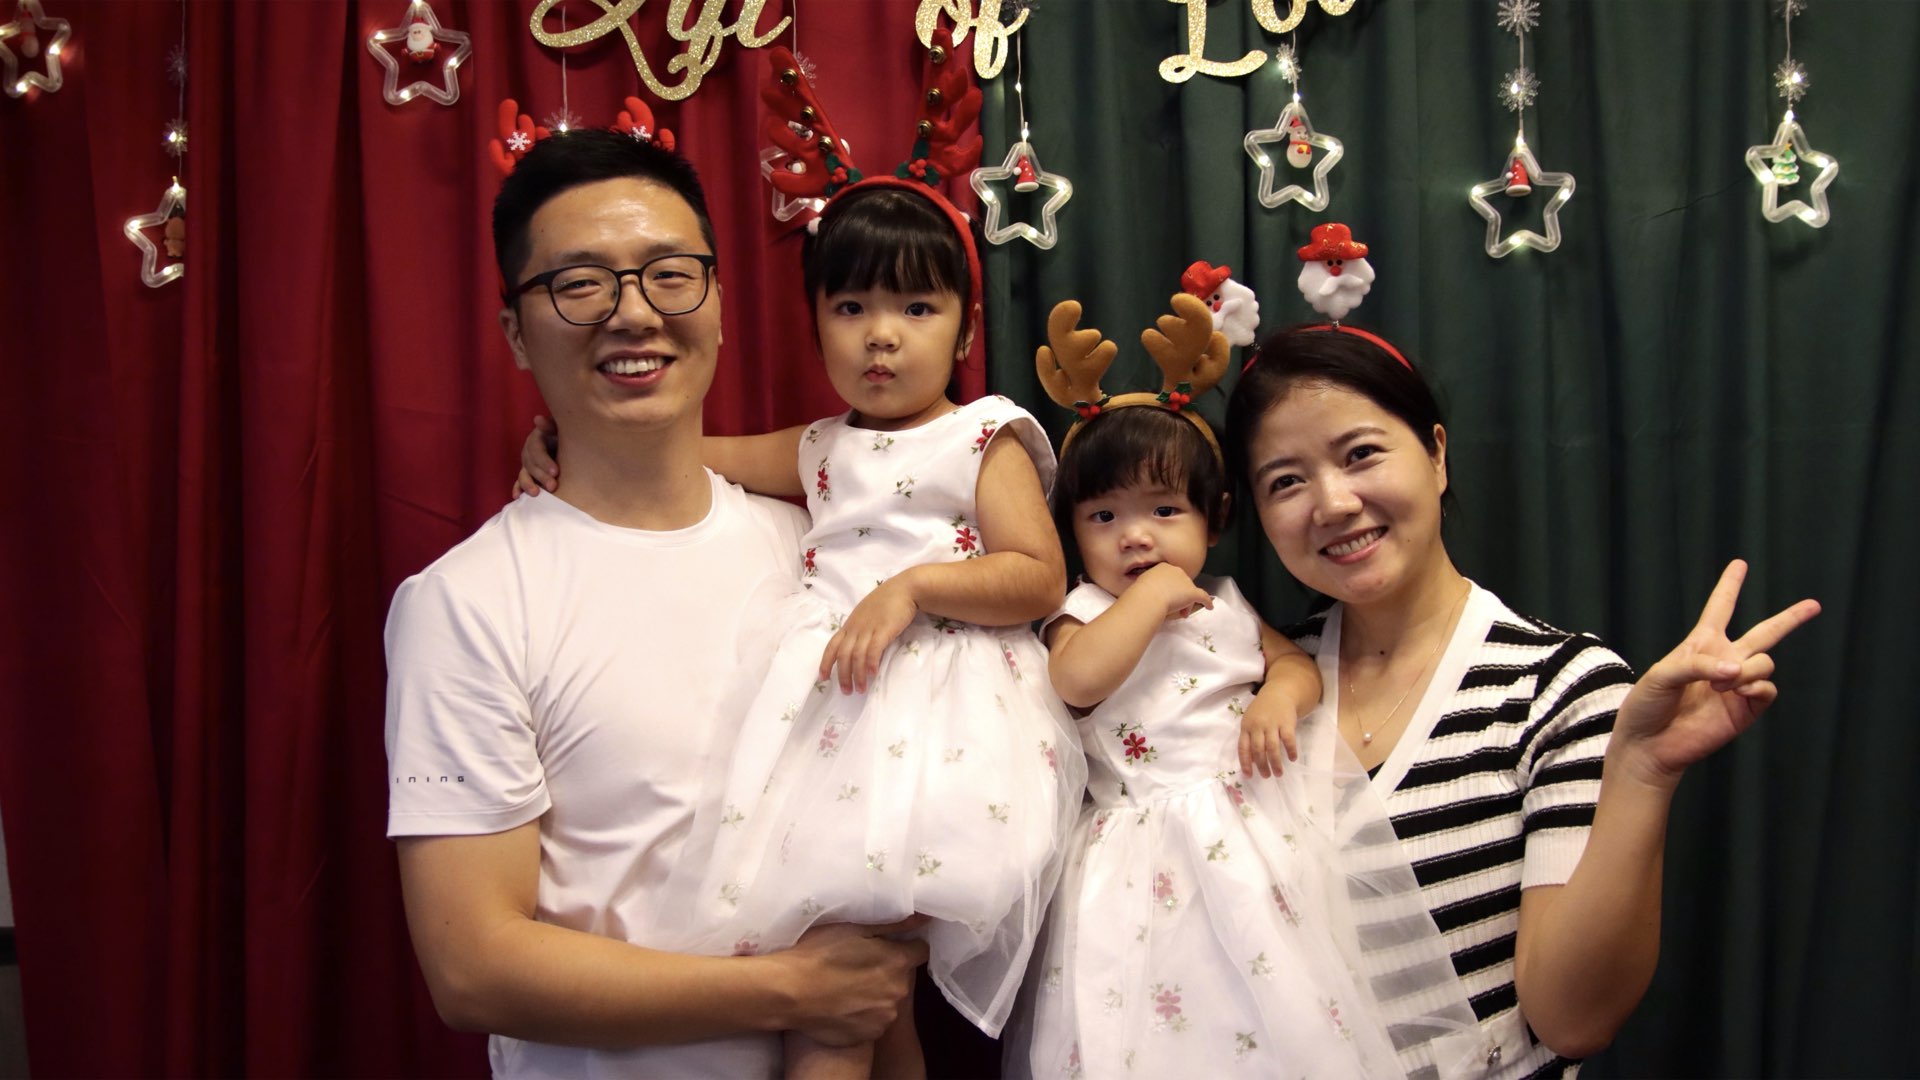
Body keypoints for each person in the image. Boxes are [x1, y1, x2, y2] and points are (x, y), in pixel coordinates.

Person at [383, 129, 927, 1080]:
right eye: (580, 285)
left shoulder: (827, 550)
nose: (633, 313)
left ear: (717, 305)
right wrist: (796, 993)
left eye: (669, 275)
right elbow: (473, 967)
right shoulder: (467, 603)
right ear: (515, 332)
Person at [516, 176, 1083, 1077]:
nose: (882, 335)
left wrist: (910, 589)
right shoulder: (820, 446)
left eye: (917, 308)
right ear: (815, 326)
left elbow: (1038, 576)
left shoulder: (982, 436)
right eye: (851, 307)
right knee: (862, 990)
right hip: (837, 725)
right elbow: (683, 452)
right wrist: (563, 441)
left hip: (941, 728)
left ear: (967, 331)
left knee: (839, 990)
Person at [1223, 324, 1821, 1076]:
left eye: (1362, 454)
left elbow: (1574, 1021)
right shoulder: (1243, 688)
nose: (1334, 503)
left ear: (1436, 454)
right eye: (1285, 481)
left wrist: (1641, 770)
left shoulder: (1559, 685)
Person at [1009, 298, 1483, 1079]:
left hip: (1251, 835)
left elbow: (1294, 666)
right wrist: (1149, 599)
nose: (1136, 534)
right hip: (1140, 855)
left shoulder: (1227, 604)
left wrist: (1277, 699)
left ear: (1217, 518)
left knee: (1285, 1008)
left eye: (1164, 510)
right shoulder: (1082, 611)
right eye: (1104, 516)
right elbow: (1075, 680)